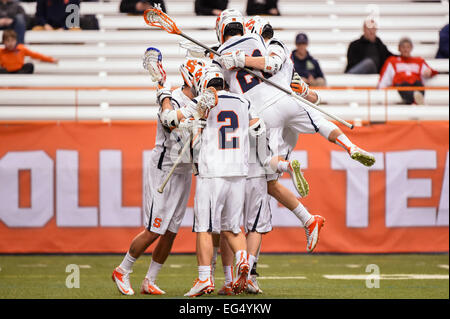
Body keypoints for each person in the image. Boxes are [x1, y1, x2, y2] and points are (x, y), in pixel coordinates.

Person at [111, 51, 207, 296]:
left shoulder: (200, 102)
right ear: (190, 78)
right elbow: (170, 123)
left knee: (172, 231)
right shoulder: (172, 98)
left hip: (184, 169)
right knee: (155, 228)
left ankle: (149, 280)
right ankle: (122, 270)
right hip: (164, 169)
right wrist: (166, 94)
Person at [184, 66, 261, 297]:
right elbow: (257, 127)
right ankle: (242, 260)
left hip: (213, 170)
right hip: (238, 170)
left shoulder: (199, 101)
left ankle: (204, 277)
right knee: (232, 227)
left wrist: (197, 118)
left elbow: (186, 132)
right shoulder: (243, 101)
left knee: (204, 227)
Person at [378, 37, 438, 105]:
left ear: (411, 48)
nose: (405, 50)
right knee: (404, 86)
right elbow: (384, 77)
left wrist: (429, 72)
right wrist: (380, 92)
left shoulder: (419, 61)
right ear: (399, 48)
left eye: (408, 47)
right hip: (402, 84)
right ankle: (416, 100)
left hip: (416, 84)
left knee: (419, 84)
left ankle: (415, 100)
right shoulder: (392, 61)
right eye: (403, 47)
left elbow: (432, 71)